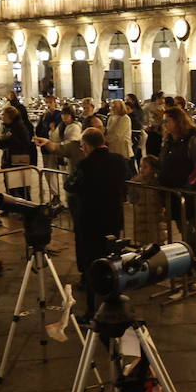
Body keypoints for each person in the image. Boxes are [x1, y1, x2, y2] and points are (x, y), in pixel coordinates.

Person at [65, 127, 127, 316]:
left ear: (87, 146)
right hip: (113, 218)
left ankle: (93, 310)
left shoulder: (84, 165)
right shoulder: (119, 161)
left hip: (90, 221)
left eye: (83, 146)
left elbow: (70, 185)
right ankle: (114, 300)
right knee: (113, 261)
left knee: (93, 263)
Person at [157, 106, 196, 290]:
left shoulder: (193, 141)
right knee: (182, 232)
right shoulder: (169, 141)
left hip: (190, 196)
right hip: (174, 196)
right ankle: (184, 269)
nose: (165, 125)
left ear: (178, 122)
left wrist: (186, 188)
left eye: (167, 121)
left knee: (191, 233)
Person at [0, 105, 36, 200]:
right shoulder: (6, 127)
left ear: (10, 117)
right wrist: (2, 139)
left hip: (18, 162)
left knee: (22, 188)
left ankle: (27, 209)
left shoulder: (20, 127)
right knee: (9, 186)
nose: (2, 117)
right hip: (8, 161)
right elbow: (0, 144)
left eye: (4, 115)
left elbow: (25, 144)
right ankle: (10, 205)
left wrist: (10, 138)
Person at [105, 98, 134, 169]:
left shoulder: (125, 118)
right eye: (112, 107)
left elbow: (118, 134)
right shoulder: (111, 118)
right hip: (112, 147)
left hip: (122, 147)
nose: (113, 108)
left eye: (115, 107)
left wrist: (105, 139)